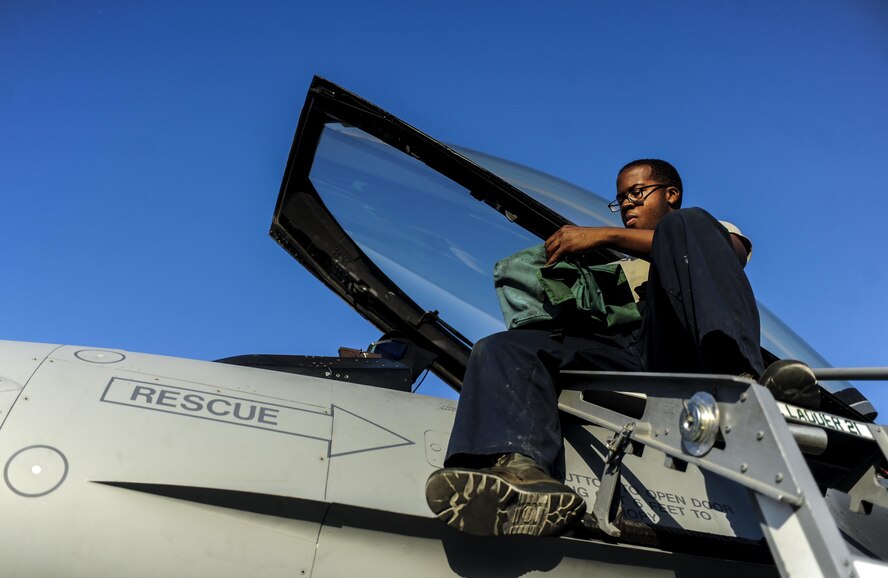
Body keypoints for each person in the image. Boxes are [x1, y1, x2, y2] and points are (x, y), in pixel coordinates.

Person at [425, 159, 764, 537]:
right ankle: (520, 473)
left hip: (681, 350)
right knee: (502, 349)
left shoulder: (703, 228)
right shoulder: (619, 263)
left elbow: (722, 255)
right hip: (623, 350)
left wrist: (600, 235)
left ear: (671, 194)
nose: (628, 205)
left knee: (680, 227)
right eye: (621, 200)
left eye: (637, 193)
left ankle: (738, 374)